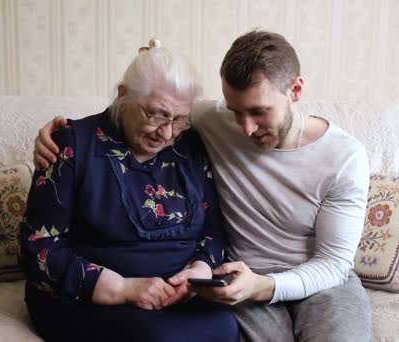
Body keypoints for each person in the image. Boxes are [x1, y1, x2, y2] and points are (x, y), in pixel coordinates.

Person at [34, 31, 372, 341]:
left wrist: (230, 276)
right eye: (237, 112)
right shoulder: (207, 123)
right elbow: (149, 97)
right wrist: (61, 134)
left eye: (259, 112)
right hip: (233, 278)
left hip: (315, 282)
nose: (246, 129)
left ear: (295, 90)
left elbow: (332, 263)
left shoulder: (345, 157)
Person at [18, 39, 238, 342]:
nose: (166, 132)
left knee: (225, 327)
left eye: (178, 120)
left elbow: (213, 230)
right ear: (123, 96)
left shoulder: (190, 146)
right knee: (158, 338)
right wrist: (121, 289)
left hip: (178, 296)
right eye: (156, 114)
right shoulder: (72, 143)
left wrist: (199, 270)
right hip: (92, 298)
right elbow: (36, 246)